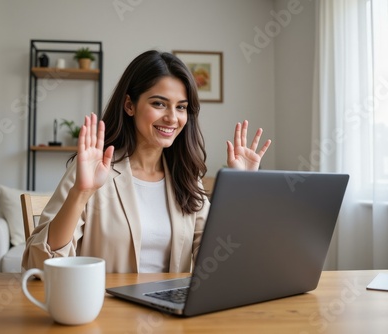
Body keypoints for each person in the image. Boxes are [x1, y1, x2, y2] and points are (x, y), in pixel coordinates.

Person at [22, 50, 271, 273]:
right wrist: (80, 193)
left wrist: (244, 190)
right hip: (107, 315)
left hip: (171, 317)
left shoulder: (185, 175)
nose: (172, 118)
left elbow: (222, 262)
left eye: (181, 107)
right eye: (159, 103)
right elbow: (38, 265)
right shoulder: (93, 170)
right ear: (130, 105)